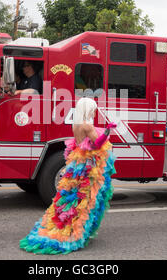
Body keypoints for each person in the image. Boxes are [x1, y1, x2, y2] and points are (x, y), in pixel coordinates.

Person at [20, 97, 117, 254]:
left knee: (71, 196)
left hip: (77, 162)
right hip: (88, 164)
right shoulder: (87, 125)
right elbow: (98, 143)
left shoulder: (76, 124)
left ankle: (69, 226)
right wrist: (107, 130)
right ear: (87, 109)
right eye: (93, 108)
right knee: (84, 199)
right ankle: (75, 231)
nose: (94, 111)